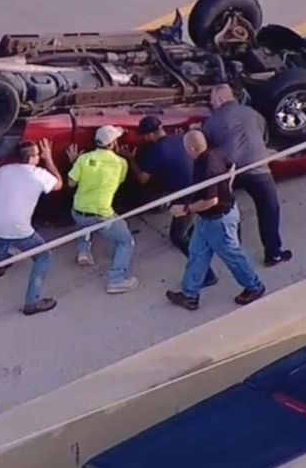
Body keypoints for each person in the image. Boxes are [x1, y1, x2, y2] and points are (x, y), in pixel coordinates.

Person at [166, 130, 266, 311]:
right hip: (208, 219)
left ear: (192, 148)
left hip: (219, 220)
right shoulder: (216, 154)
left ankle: (254, 287)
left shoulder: (207, 168)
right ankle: (190, 295)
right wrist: (226, 187)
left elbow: (211, 201)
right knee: (197, 254)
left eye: (186, 148)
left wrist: (185, 209)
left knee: (233, 256)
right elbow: (232, 166)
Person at [117, 115, 218, 287]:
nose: (143, 139)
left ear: (149, 135)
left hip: (186, 197)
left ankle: (206, 275)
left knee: (178, 236)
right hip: (201, 185)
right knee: (195, 224)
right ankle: (201, 236)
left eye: (143, 135)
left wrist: (129, 158)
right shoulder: (180, 138)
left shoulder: (156, 152)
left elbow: (143, 179)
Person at [201, 84, 292, 266]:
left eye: (211, 99)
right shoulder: (252, 113)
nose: (211, 103)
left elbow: (207, 149)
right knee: (269, 209)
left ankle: (237, 252)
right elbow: (264, 137)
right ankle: (273, 253)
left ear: (220, 99)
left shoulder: (211, 122)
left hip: (230, 172)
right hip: (258, 169)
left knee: (230, 211)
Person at [0, 138, 63, 315]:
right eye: (39, 154)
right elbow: (59, 184)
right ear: (33, 157)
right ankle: (32, 303)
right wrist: (49, 159)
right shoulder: (39, 174)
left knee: (1, 233)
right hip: (17, 226)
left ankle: (1, 265)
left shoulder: (2, 171)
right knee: (44, 257)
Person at [66, 125, 138, 294]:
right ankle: (117, 279)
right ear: (113, 144)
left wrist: (74, 162)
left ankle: (83, 251)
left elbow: (71, 183)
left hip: (78, 210)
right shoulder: (121, 163)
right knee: (125, 241)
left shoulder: (83, 159)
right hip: (102, 214)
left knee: (84, 222)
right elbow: (118, 182)